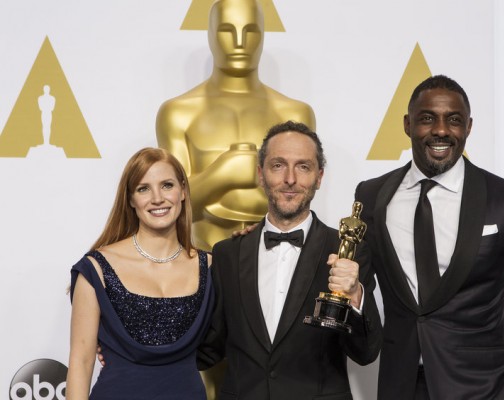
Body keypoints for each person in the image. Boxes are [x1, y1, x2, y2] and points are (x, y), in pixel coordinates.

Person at [355, 75, 504, 400]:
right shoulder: (371, 196)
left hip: (487, 390)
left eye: (454, 120)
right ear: (407, 124)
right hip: (400, 388)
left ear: (468, 127)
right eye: (427, 118)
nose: (441, 130)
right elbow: (360, 288)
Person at [196, 121, 383, 399]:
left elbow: (365, 353)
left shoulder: (350, 252)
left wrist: (355, 295)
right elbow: (209, 347)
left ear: (319, 177)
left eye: (303, 167)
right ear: (260, 174)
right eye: (278, 165)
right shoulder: (226, 254)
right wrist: (137, 350)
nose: (291, 179)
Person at [156, 0, 316, 252]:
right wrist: (222, 174)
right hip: (203, 260)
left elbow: (301, 195)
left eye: (250, 31)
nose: (240, 42)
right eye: (226, 31)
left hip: (278, 258)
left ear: (263, 36)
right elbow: (170, 205)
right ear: (210, 36)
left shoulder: (295, 113)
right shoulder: (178, 113)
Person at [66, 148, 215, 400]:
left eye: (167, 185)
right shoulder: (97, 269)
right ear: (131, 199)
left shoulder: (211, 267)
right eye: (143, 188)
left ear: (183, 191)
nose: (157, 198)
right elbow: (80, 363)